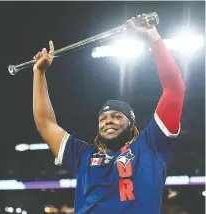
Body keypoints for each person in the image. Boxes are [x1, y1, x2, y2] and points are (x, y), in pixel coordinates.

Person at [33, 14, 185, 214]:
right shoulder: (83, 156)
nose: (108, 121)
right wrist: (39, 74)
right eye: (103, 118)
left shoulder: (151, 145)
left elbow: (174, 91)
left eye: (116, 116)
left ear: (131, 124)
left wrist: (152, 36)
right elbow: (46, 124)